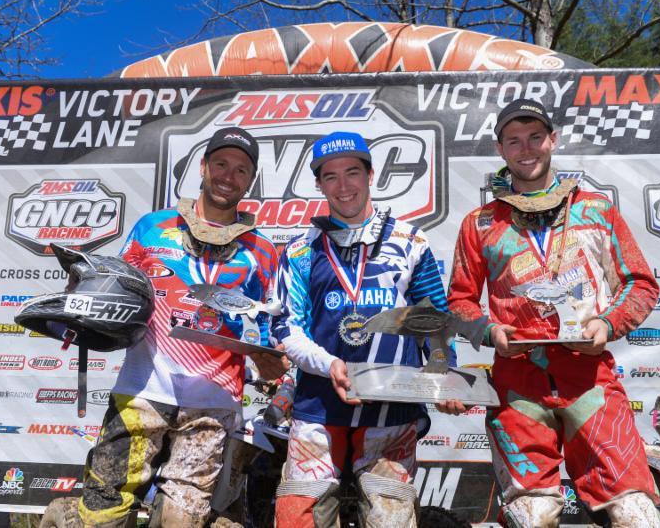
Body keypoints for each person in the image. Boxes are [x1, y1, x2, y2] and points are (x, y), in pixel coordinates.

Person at [447, 99, 660, 527]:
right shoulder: (481, 222)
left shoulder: (596, 209)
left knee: (636, 513)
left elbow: (641, 284)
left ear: (553, 140)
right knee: (533, 514)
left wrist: (608, 322)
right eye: (514, 140)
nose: (526, 149)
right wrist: (490, 332)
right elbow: (459, 302)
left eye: (535, 137)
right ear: (500, 149)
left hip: (589, 379)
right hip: (518, 383)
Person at [75, 126, 289, 527]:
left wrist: (269, 360)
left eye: (241, 170)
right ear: (203, 167)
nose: (229, 175)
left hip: (213, 401)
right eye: (221, 164)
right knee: (103, 506)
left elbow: (270, 325)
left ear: (250, 181)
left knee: (181, 518)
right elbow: (116, 288)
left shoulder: (262, 251)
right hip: (142, 389)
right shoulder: (151, 227)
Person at [272, 131, 463, 527]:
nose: (343, 186)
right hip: (318, 405)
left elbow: (434, 321)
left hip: (392, 409)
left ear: (371, 174)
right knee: (299, 517)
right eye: (331, 176)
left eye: (353, 173)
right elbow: (287, 328)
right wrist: (329, 366)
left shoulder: (410, 240)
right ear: (318, 183)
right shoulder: (299, 249)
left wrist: (445, 377)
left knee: (389, 517)